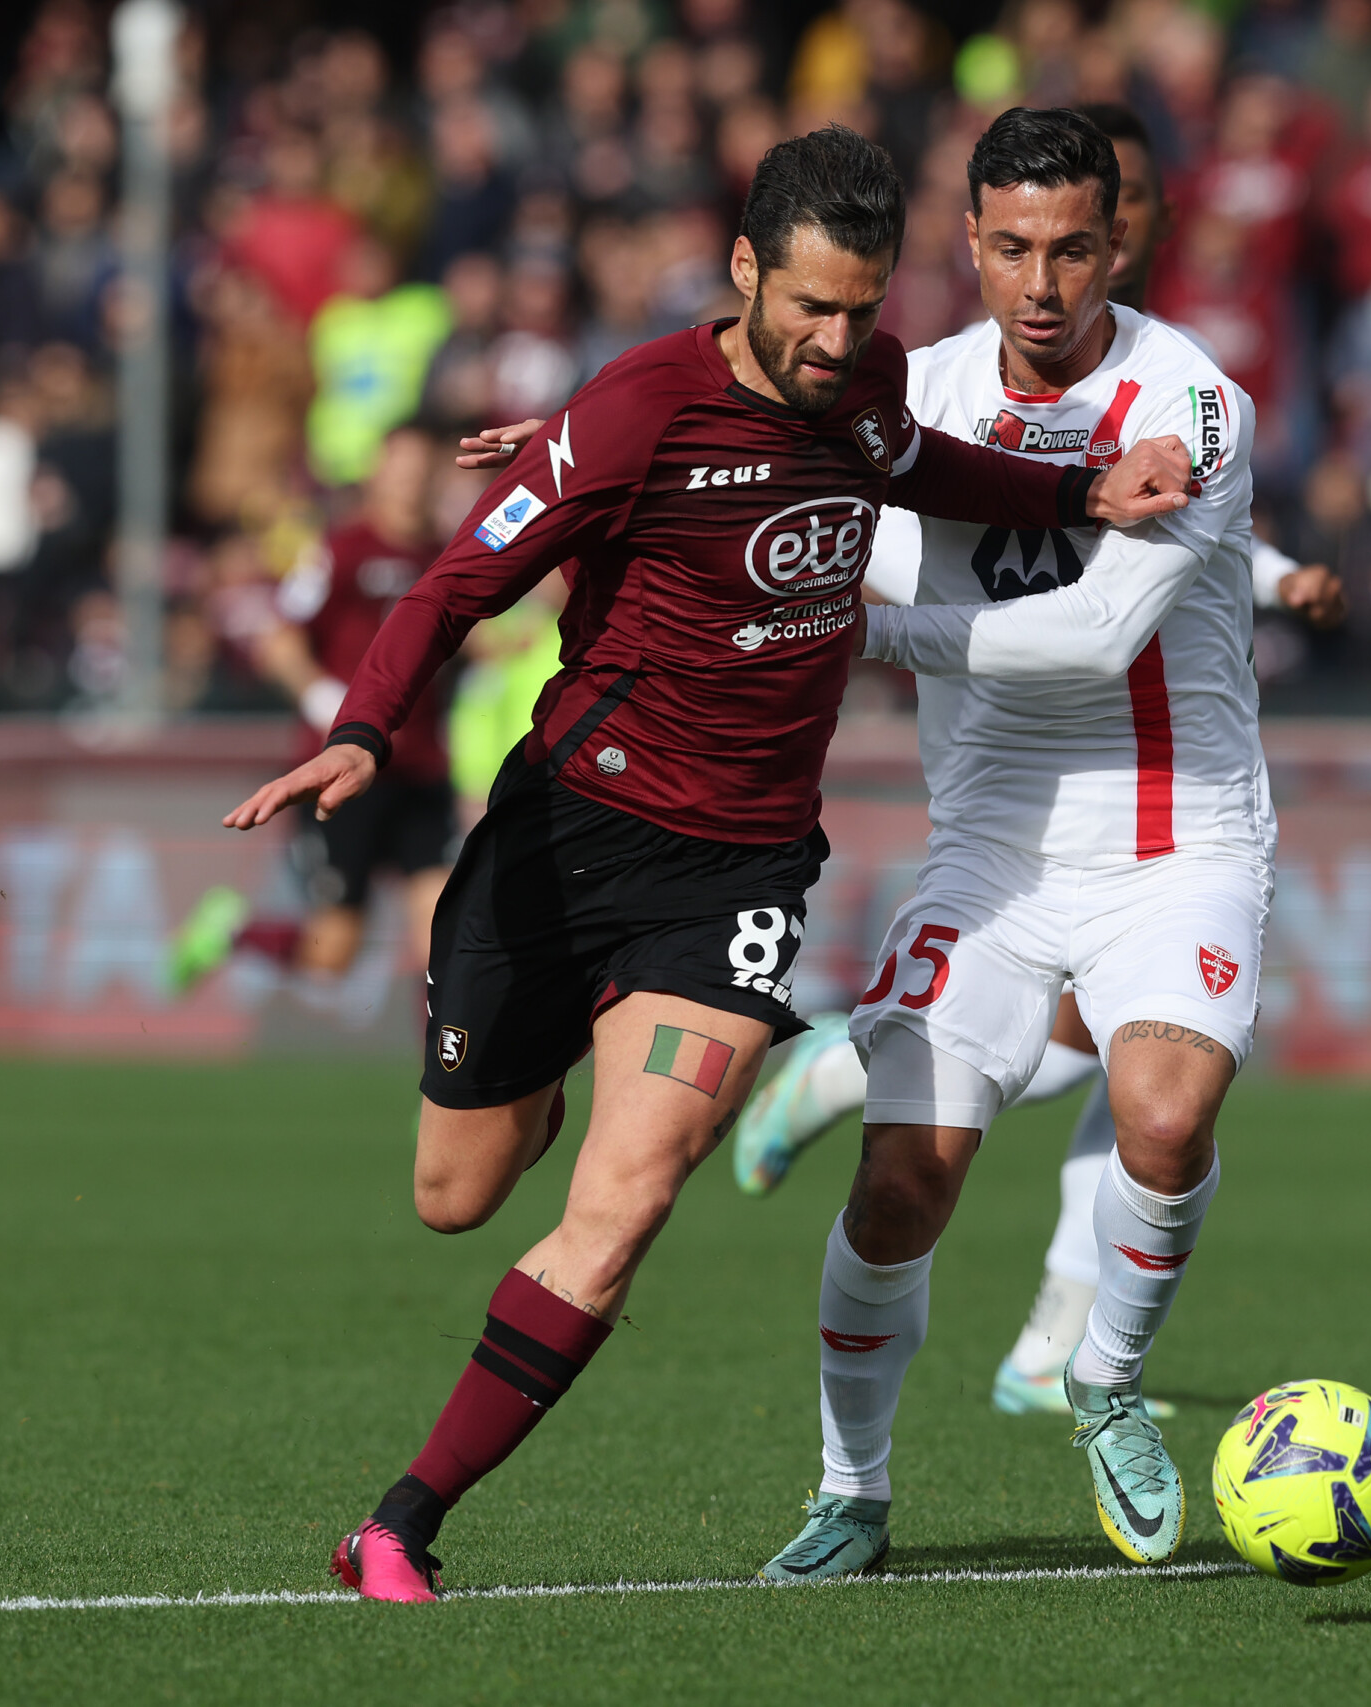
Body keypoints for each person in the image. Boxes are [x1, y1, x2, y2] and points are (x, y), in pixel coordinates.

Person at [220, 124, 1198, 1605]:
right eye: (807, 304)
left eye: (861, 309)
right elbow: (455, 580)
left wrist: (1077, 498)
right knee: (456, 1191)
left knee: (629, 1202)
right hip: (565, 838)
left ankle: (402, 1520)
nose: (834, 339)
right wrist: (364, 730)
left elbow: (922, 462)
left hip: (734, 877)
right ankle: (541, 1062)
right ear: (745, 270)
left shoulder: (863, 384)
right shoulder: (630, 415)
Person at [729, 102, 1346, 1428]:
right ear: (969, 241)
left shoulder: (1191, 403)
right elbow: (773, 460)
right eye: (1012, 248)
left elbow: (1098, 631)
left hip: (1179, 828)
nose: (1042, 283)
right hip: (994, 839)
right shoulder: (920, 391)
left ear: (1117, 243)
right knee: (901, 1183)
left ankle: (1100, 1378)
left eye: (1071, 248)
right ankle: (851, 1488)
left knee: (1165, 1115)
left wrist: (857, 628)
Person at [170, 427, 459, 994]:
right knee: (335, 955)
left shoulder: (448, 553)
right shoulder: (340, 551)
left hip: (420, 768)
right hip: (342, 770)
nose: (411, 482)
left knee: (442, 941)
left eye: (422, 469)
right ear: (377, 474)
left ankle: (440, 1080)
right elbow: (279, 639)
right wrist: (322, 697)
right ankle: (233, 932)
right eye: (400, 468)